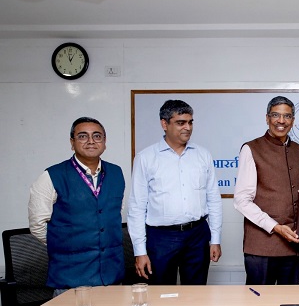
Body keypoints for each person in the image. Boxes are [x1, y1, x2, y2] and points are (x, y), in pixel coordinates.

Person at [127, 100, 222, 285]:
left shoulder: (202, 155)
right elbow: (137, 207)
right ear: (164, 124)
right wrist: (140, 251)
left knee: (196, 294)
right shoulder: (146, 158)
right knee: (161, 294)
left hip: (198, 235)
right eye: (181, 123)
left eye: (190, 122)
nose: (188, 127)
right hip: (161, 238)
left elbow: (213, 199)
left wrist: (215, 239)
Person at [28, 117, 125, 295]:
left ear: (104, 142)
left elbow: (114, 214)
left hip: (112, 275)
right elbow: (37, 225)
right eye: (82, 136)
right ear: (72, 143)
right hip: (70, 279)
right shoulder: (51, 176)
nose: (91, 141)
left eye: (97, 136)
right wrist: (66, 244)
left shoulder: (116, 172)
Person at [233, 96, 299, 285]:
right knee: (258, 302)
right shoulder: (251, 149)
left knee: (291, 301)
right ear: (267, 118)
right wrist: (275, 227)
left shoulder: (298, 150)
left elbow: (297, 192)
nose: (281, 121)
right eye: (275, 115)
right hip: (261, 248)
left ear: (293, 120)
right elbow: (242, 200)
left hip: (295, 246)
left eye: (287, 116)